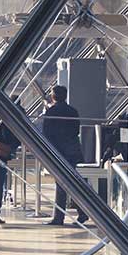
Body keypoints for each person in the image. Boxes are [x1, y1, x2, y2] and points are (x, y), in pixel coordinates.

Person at [41, 85, 88, 226]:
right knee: (70, 183)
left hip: (58, 151)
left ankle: (60, 217)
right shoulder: (73, 111)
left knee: (62, 184)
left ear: (53, 96)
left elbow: (46, 133)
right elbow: (75, 130)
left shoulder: (51, 111)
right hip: (72, 151)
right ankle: (81, 212)